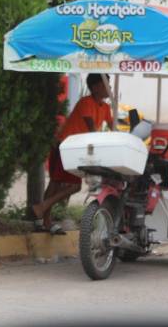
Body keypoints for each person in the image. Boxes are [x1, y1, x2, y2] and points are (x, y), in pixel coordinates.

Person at [32, 73, 113, 234]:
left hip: (74, 148)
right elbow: (92, 129)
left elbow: (112, 127)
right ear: (96, 87)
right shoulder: (86, 103)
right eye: (106, 85)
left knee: (55, 184)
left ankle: (43, 220)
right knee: (72, 186)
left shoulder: (106, 108)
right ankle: (43, 209)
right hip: (66, 146)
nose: (110, 88)